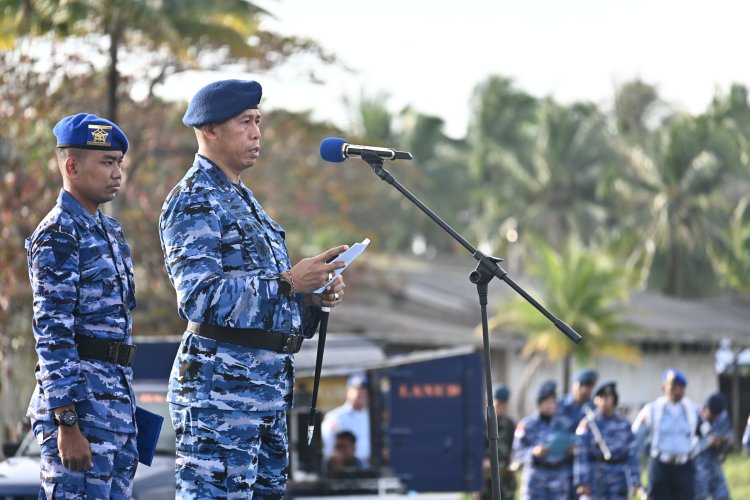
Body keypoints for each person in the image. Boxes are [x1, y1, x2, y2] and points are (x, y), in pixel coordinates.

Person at [159, 79, 349, 497]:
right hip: (219, 395)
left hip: (264, 393)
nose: (257, 132)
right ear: (210, 130)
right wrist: (289, 281)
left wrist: (310, 297)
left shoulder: (244, 200)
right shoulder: (194, 199)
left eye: (258, 121)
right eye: (245, 121)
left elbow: (271, 301)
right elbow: (199, 296)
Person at [25, 113, 139, 498]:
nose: (116, 172)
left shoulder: (109, 230)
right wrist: (67, 423)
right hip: (80, 414)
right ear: (71, 166)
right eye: (107, 162)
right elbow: (53, 332)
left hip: (115, 408)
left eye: (119, 163)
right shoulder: (59, 232)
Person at [631, 368, 699, 500]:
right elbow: (635, 436)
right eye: (673, 386)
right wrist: (639, 463)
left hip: (684, 465)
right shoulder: (652, 409)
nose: (677, 390)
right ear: (664, 387)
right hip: (660, 465)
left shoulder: (692, 410)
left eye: (681, 387)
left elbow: (704, 434)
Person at [574, 381, 640, 499]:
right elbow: (581, 454)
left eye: (608, 398)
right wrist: (582, 481)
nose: (604, 402)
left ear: (614, 399)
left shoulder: (624, 424)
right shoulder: (588, 423)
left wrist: (635, 479)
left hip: (618, 478)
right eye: (601, 398)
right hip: (595, 477)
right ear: (595, 400)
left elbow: (632, 453)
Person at [512, 380, 570, 499]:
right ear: (539, 403)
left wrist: (570, 449)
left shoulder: (564, 425)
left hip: (558, 479)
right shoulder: (526, 425)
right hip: (536, 479)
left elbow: (573, 445)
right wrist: (533, 452)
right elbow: (517, 452)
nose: (550, 405)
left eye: (552, 401)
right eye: (546, 401)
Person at [557, 368, 597, 500]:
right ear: (575, 385)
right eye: (582, 386)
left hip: (586, 468)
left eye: (589, 387)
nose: (585, 391)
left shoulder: (593, 409)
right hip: (561, 467)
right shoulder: (560, 405)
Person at [321, 373, 371, 467]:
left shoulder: (370, 416)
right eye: (356, 389)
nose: (361, 393)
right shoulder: (335, 416)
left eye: (364, 390)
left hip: (370, 465)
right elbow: (327, 445)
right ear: (347, 390)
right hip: (345, 467)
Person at [694, 393, 733, 500]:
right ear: (705, 409)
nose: (715, 417)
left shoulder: (723, 416)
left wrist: (724, 441)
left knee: (723, 496)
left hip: (715, 465)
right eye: (712, 414)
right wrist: (708, 442)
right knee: (699, 496)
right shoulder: (694, 417)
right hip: (698, 467)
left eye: (717, 415)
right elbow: (687, 445)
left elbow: (729, 435)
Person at [483, 384, 517, 499]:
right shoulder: (482, 425)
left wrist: (514, 462)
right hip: (486, 480)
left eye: (503, 404)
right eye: (498, 404)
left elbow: (515, 447)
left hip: (506, 479)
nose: (500, 407)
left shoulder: (510, 424)